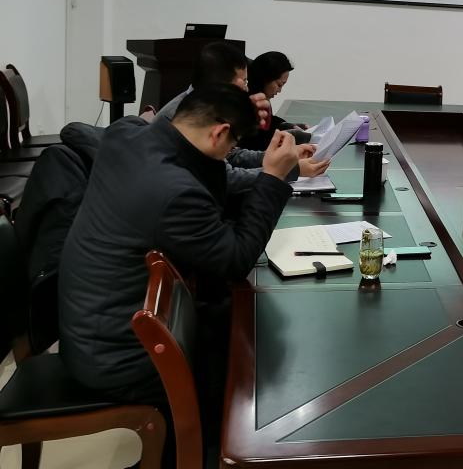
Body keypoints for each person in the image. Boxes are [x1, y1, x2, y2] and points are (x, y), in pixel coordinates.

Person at [59, 85, 302, 466]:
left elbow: (206, 183)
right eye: (232, 145)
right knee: (250, 366)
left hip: (86, 326)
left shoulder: (125, 135)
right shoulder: (175, 193)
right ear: (220, 133)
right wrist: (272, 177)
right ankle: (210, 455)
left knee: (237, 327)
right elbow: (235, 259)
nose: (229, 155)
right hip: (119, 355)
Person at [156, 42, 328, 190]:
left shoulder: (204, 105)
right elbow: (226, 178)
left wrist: (281, 157)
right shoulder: (184, 116)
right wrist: (287, 170)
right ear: (220, 83)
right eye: (244, 81)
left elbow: (232, 156)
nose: (247, 89)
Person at [238, 51, 307, 151]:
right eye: (279, 84)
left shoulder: (261, 98)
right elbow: (257, 143)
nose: (280, 90)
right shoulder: (248, 105)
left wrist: (284, 125)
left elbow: (268, 122)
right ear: (265, 79)